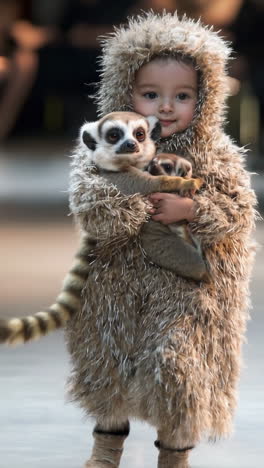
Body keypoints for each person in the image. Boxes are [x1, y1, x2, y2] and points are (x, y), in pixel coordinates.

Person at [67, 12, 257, 467]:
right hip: (117, 286)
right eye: (150, 95)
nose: (166, 108)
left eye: (183, 96)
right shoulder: (104, 146)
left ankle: (175, 456)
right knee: (111, 365)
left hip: (190, 294)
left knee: (178, 369)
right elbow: (90, 204)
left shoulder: (217, 154)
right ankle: (106, 450)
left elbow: (239, 211)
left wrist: (191, 209)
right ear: (125, 91)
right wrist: (137, 200)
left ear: (206, 98)